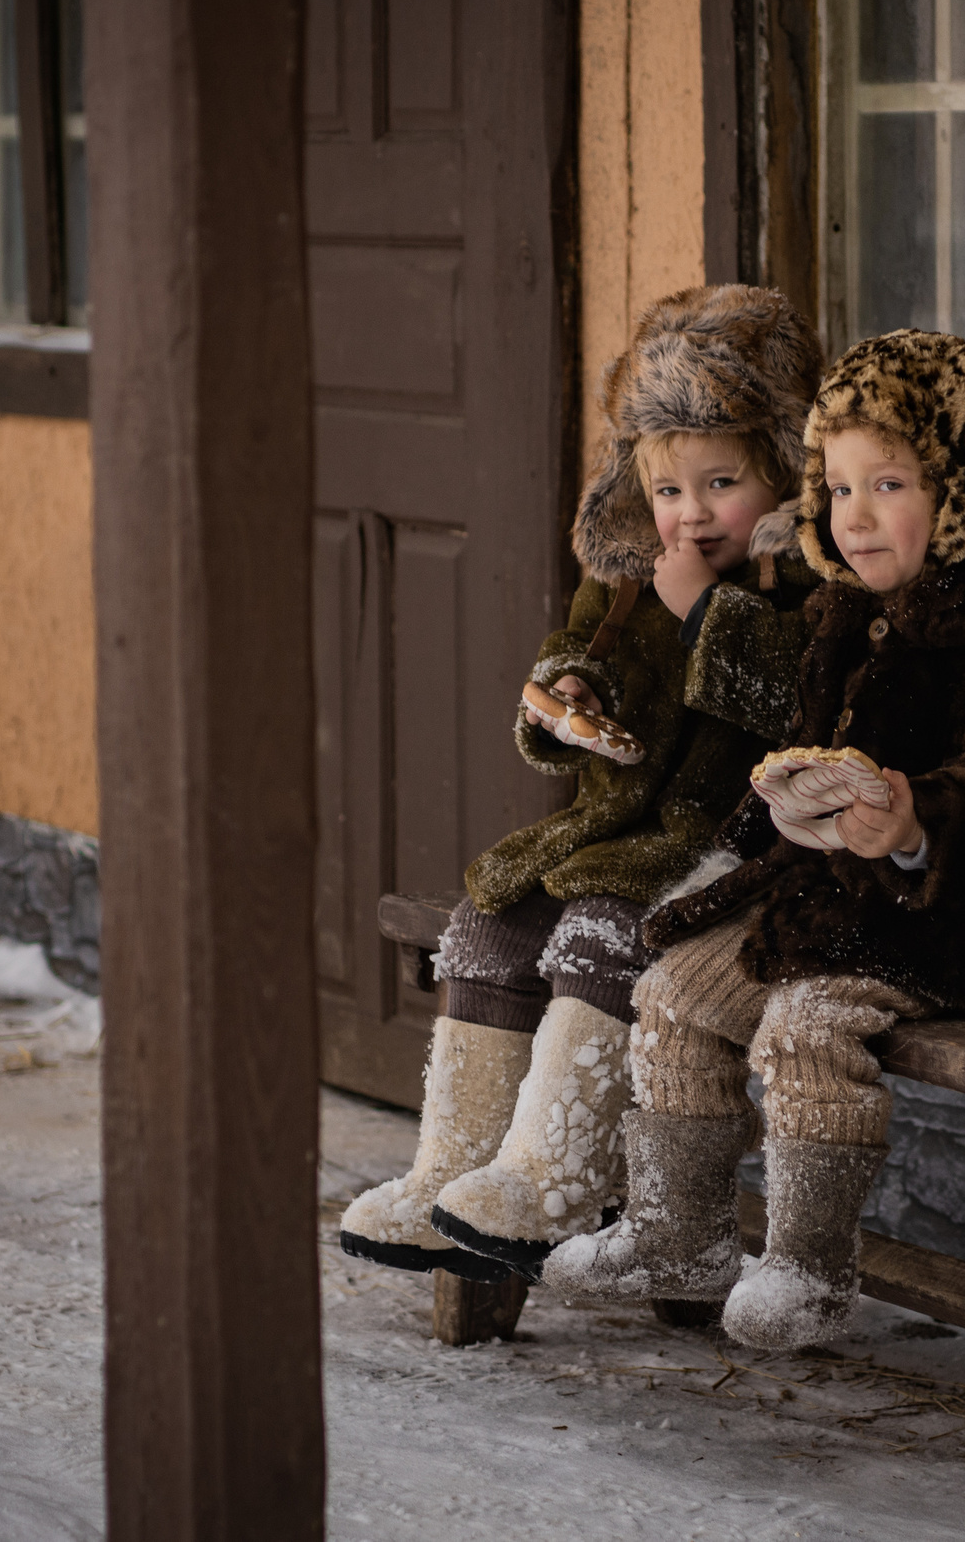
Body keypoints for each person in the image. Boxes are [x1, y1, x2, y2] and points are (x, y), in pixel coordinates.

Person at [544, 330, 965, 1349]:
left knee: (804, 1028)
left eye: (887, 483)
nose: (855, 516)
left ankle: (806, 1264)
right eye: (837, 489)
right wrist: (749, 840)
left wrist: (913, 824)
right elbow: (796, 761)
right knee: (671, 994)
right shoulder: (848, 619)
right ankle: (679, 1234)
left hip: (956, 928)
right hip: (824, 901)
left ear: (962, 489)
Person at [339, 284, 822, 1281]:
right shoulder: (632, 575)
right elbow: (588, 656)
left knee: (601, 932)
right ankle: (453, 1171)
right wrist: (568, 694)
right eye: (667, 492)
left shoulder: (807, 587)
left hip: (742, 855)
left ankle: (552, 1171)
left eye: (721, 483)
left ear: (782, 471)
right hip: (630, 833)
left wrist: (704, 616)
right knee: (490, 920)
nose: (689, 515)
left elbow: (797, 709)